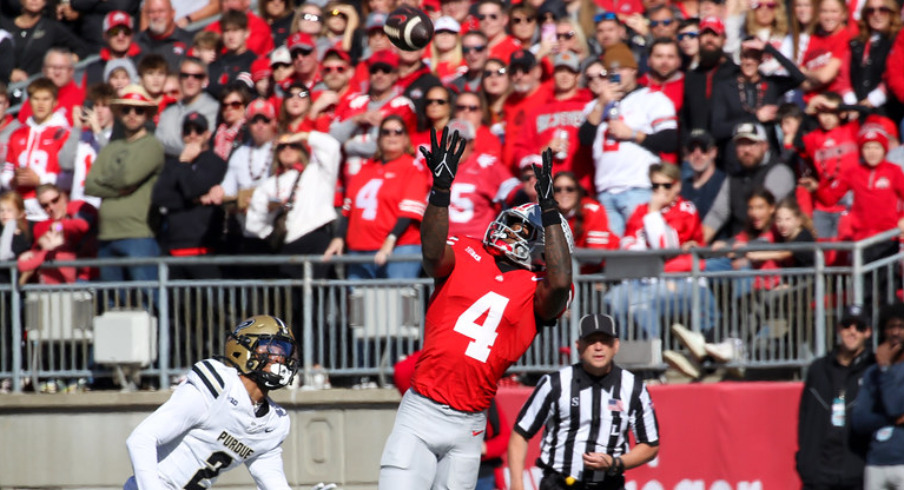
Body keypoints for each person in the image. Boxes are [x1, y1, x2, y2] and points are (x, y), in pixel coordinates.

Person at [377, 132, 573, 489]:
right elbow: (433, 253)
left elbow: (560, 283)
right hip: (421, 408)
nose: (509, 229)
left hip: (470, 423)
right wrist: (439, 192)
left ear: (542, 246)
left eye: (521, 227)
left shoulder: (537, 291)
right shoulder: (467, 251)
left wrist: (550, 212)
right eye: (511, 221)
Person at [123, 315, 299, 490]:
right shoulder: (217, 388)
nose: (280, 358)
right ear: (243, 349)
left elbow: (274, 483)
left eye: (284, 351)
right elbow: (141, 439)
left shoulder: (274, 424)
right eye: (274, 349)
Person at [508, 314, 659, 490]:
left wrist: (615, 463)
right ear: (579, 346)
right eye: (591, 341)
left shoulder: (633, 388)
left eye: (605, 341)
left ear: (616, 346)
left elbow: (650, 445)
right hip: (560, 483)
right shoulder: (555, 383)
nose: (598, 347)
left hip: (609, 484)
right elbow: (520, 433)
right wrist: (517, 484)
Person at [579, 42, 679, 236]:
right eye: (610, 71)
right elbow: (584, 138)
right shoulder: (595, 105)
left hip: (638, 186)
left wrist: (633, 134)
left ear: (634, 70)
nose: (617, 75)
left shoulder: (651, 98)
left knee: (639, 250)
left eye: (621, 69)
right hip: (606, 190)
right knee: (612, 256)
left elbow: (670, 139)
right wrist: (601, 103)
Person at [323, 116, 429, 280]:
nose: (391, 136)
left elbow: (409, 211)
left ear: (406, 138)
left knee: (396, 302)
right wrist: (338, 237)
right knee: (360, 303)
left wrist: (390, 240)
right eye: (386, 132)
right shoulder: (366, 168)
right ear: (379, 139)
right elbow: (348, 209)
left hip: (399, 248)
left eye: (398, 132)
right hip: (359, 248)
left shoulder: (412, 167)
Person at [84, 85, 164, 292]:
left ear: (147, 114)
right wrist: (118, 189)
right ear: (119, 113)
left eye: (138, 110)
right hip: (106, 235)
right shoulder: (111, 147)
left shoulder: (152, 145)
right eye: (126, 109)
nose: (132, 115)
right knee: (112, 303)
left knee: (148, 298)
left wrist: (107, 181)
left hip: (137, 233)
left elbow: (128, 178)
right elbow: (90, 185)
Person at [797, 304, 875, 490]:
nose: (852, 332)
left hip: (856, 472)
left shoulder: (873, 370)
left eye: (860, 327)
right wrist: (805, 462)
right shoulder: (818, 369)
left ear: (868, 333)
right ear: (839, 329)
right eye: (847, 325)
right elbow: (804, 418)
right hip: (818, 473)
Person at [151, 112, 227, 281]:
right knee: (177, 305)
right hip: (173, 248)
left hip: (204, 249)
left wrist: (185, 163)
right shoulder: (173, 164)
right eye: (188, 131)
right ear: (182, 135)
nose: (193, 135)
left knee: (208, 305)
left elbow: (192, 188)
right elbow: (159, 196)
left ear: (207, 134)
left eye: (198, 130)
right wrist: (196, 200)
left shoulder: (214, 162)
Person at [702, 122, 795, 243]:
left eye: (752, 144)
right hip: (737, 247)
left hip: (769, 246)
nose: (746, 150)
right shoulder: (733, 178)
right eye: (741, 145)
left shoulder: (779, 172)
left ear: (765, 146)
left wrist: (733, 244)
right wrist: (697, 244)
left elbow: (766, 216)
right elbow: (717, 215)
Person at [3, 77, 78, 222]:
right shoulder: (17, 134)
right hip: (21, 212)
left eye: (46, 99)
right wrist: (13, 180)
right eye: (36, 99)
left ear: (55, 102)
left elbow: (71, 177)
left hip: (51, 212)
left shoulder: (64, 134)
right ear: (29, 101)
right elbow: (7, 171)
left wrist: (40, 179)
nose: (41, 104)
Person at [851, 301, 904, 490]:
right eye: (891, 327)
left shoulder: (882, 370)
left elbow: (895, 404)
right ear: (883, 330)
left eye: (901, 327)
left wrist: (885, 369)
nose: (896, 332)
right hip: (876, 462)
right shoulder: (872, 372)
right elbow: (859, 420)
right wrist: (891, 419)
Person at [156, 57, 220, 159]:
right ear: (179, 78)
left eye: (197, 76)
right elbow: (158, 144)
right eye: (185, 75)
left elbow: (202, 146)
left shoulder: (215, 110)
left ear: (205, 80)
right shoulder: (168, 112)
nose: (190, 80)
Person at [135, 0, 195, 72]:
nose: (156, 16)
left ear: (173, 12)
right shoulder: (136, 42)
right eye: (152, 12)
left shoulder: (189, 42)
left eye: (161, 11)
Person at [680, 129, 725, 219]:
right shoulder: (682, 187)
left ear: (714, 152)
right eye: (692, 149)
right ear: (686, 153)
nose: (697, 154)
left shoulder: (724, 184)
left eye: (703, 148)